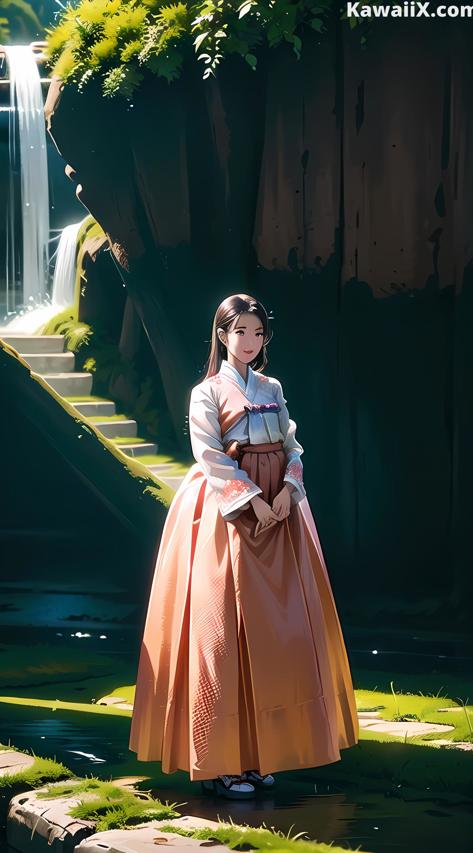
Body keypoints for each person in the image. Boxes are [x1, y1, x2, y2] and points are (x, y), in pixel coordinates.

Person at [128, 293, 359, 799]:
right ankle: (223, 760)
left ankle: (262, 754)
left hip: (281, 514)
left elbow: (293, 446)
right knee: (224, 635)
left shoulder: (273, 387)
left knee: (280, 636)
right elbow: (208, 453)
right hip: (226, 513)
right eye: (241, 332)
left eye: (258, 333)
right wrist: (253, 500)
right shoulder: (206, 392)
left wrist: (289, 492)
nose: (250, 342)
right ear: (222, 334)